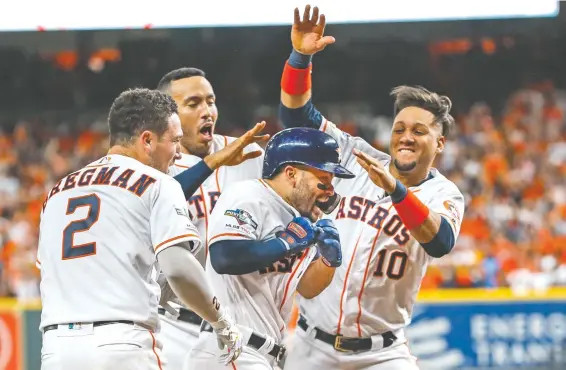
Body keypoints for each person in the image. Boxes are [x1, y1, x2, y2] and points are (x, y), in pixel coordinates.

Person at [278, 6, 466, 369]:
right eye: (400, 128)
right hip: (310, 344)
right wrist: (299, 58)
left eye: (419, 130)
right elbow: (295, 116)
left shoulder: (445, 194)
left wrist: (396, 191)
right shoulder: (355, 156)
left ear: (439, 143)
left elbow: (439, 242)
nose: (406, 137)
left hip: (382, 354)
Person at [37, 88, 246, 370]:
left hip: (57, 348)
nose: (177, 154)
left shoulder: (57, 191)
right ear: (147, 140)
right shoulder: (157, 183)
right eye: (175, 141)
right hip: (122, 343)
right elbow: (179, 268)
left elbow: (62, 268)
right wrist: (221, 322)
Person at [185, 127, 355, 370]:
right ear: (291, 173)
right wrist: (284, 243)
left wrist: (327, 262)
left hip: (263, 352)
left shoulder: (300, 217)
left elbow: (307, 287)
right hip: (234, 345)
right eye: (324, 180)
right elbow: (224, 258)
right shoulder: (249, 195)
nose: (330, 190)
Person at [154, 67, 269, 369]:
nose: (207, 111)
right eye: (193, 104)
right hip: (174, 324)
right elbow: (150, 204)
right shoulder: (154, 166)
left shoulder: (248, 154)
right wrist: (212, 163)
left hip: (235, 324)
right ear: (168, 115)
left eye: (211, 101)